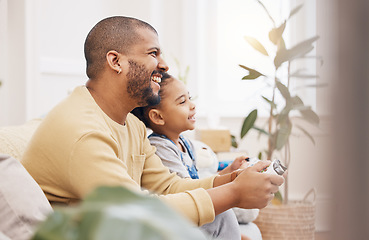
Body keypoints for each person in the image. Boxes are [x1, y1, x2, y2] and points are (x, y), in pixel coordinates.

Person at [21, 16, 284, 230]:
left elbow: (168, 186)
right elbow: (135, 212)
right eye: (153, 53)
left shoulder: (132, 125)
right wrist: (235, 194)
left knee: (220, 216)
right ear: (116, 61)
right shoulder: (82, 130)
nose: (165, 65)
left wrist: (228, 180)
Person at [132, 73, 252, 240]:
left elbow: (198, 183)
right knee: (223, 215)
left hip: (189, 209)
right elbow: (185, 193)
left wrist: (230, 171)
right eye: (182, 102)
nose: (192, 105)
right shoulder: (160, 148)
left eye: (189, 98)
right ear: (158, 117)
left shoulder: (184, 143)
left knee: (229, 212)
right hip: (173, 219)